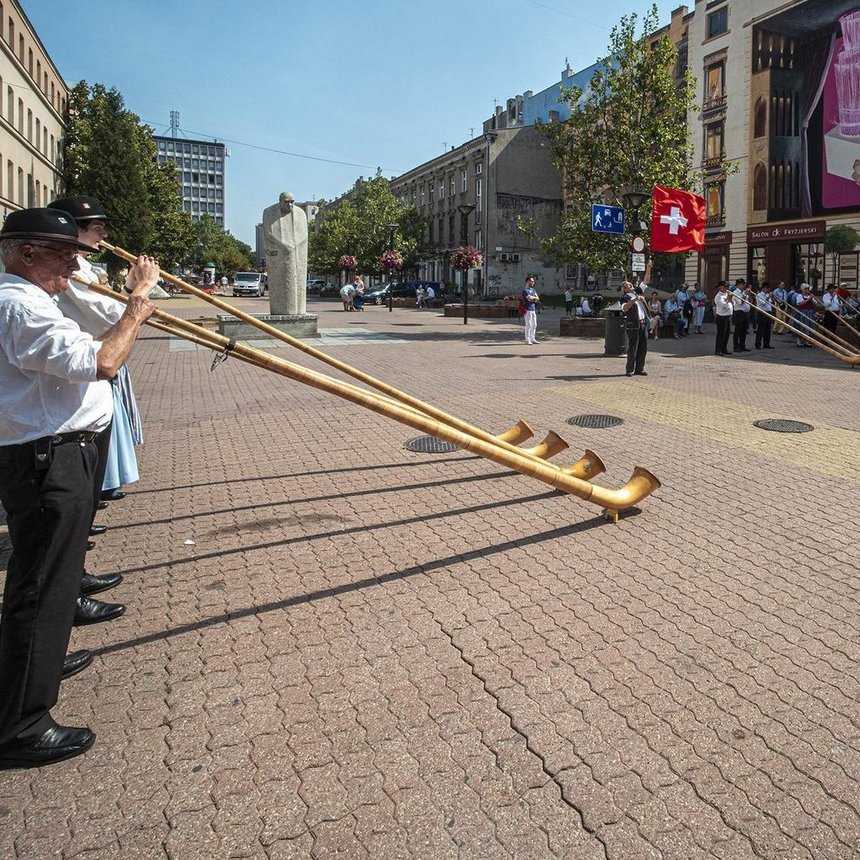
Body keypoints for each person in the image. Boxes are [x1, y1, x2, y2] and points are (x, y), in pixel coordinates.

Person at [0, 208, 158, 769]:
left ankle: (34, 668)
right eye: (62, 254)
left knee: (45, 581)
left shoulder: (29, 298)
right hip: (47, 459)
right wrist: (137, 306)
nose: (73, 263)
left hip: (52, 453)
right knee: (40, 585)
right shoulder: (19, 304)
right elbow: (104, 360)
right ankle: (21, 722)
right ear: (26, 254)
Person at [49, 196, 144, 508]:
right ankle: (92, 496)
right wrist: (136, 292)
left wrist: (130, 291)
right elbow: (108, 315)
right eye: (97, 228)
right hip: (91, 360)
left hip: (99, 356)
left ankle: (96, 494)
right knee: (91, 436)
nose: (103, 236)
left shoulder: (81, 267)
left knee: (104, 431)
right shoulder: (72, 274)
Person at [262, 191, 308, 316]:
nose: (290, 205)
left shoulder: (300, 213)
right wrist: (284, 245)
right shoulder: (269, 212)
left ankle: (297, 309)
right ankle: (280, 309)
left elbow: (304, 234)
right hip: (278, 255)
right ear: (280, 201)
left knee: (297, 283)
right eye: (287, 202)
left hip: (297, 253)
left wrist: (294, 245)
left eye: (292, 202)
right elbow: (269, 232)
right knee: (280, 283)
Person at [622, 261, 652, 376]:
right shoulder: (624, 298)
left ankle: (640, 368)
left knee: (643, 347)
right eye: (627, 286)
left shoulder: (637, 291)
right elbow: (625, 308)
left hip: (643, 323)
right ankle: (629, 369)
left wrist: (648, 267)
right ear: (625, 289)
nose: (630, 286)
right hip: (633, 325)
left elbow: (646, 281)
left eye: (630, 284)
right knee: (632, 348)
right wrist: (635, 300)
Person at [731, 278, 751, 352]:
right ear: (739, 285)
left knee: (744, 330)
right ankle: (736, 347)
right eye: (743, 284)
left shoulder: (743, 292)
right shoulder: (735, 293)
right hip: (739, 313)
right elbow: (740, 303)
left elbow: (747, 301)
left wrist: (747, 295)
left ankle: (742, 345)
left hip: (745, 313)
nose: (745, 286)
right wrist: (745, 294)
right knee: (738, 331)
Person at [713, 281, 733, 355]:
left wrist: (730, 299)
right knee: (721, 334)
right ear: (720, 287)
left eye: (727, 286)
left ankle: (724, 349)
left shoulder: (726, 294)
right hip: (722, 317)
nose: (726, 288)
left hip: (728, 316)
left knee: (727, 334)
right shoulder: (718, 296)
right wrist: (728, 298)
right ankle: (718, 350)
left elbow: (733, 303)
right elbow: (723, 306)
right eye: (725, 286)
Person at [754, 282, 775, 349]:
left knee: (768, 329)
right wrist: (769, 297)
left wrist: (771, 297)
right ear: (763, 288)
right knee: (761, 329)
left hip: (768, 312)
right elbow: (762, 303)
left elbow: (771, 303)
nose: (768, 290)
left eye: (768, 288)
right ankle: (758, 344)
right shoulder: (759, 295)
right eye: (767, 288)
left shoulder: (767, 294)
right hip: (762, 313)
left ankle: (766, 344)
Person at [521, 275, 540, 344]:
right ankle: (527, 339)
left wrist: (534, 298)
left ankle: (533, 338)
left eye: (533, 281)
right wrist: (534, 298)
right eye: (532, 281)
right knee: (528, 324)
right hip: (527, 309)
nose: (533, 283)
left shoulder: (533, 290)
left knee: (534, 324)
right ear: (528, 281)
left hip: (533, 309)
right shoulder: (525, 291)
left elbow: (538, 298)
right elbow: (529, 299)